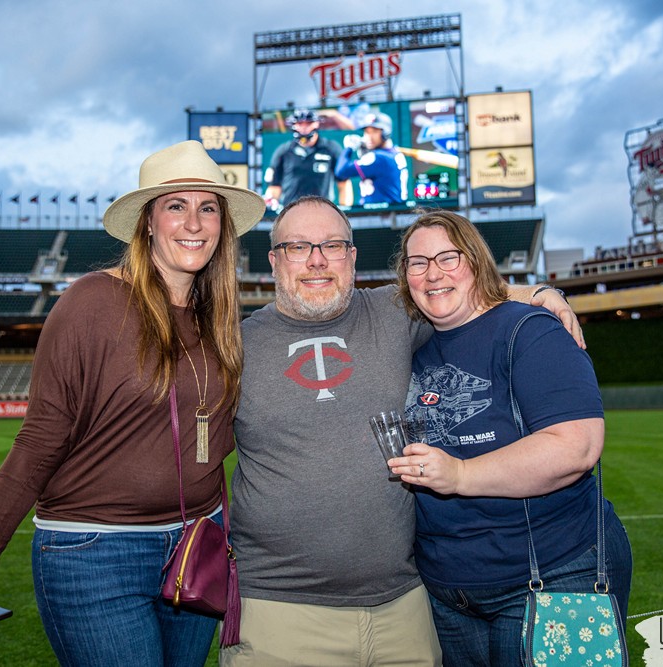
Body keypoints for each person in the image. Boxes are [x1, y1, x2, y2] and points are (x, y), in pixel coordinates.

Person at [0, 141, 265, 666]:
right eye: (175, 205)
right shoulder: (92, 302)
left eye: (208, 207)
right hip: (95, 552)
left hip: (195, 546)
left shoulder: (221, 321)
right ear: (146, 222)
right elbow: (38, 442)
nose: (194, 221)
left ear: (222, 225)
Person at [220, 196, 583, 666]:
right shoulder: (233, 344)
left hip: (403, 608)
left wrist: (537, 293)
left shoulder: (394, 314)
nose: (316, 260)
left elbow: (459, 287)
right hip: (279, 610)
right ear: (273, 260)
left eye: (332, 245)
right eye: (297, 247)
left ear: (352, 257)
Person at [387, 209, 632, 665]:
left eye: (447, 257)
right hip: (447, 594)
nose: (432, 273)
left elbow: (575, 446)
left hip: (554, 573)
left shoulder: (529, 330)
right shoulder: (414, 343)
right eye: (417, 263)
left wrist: (459, 473)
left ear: (476, 260)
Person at [264, 108, 354, 211]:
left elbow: (344, 183)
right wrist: (272, 201)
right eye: (300, 123)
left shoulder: (330, 148)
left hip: (322, 211)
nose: (304, 127)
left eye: (308, 123)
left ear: (317, 123)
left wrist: (345, 211)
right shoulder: (284, 151)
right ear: (293, 125)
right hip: (291, 211)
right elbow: (275, 187)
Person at [334, 112, 409, 206]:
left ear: (385, 132)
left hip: (382, 214)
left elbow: (341, 172)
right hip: (393, 211)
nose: (368, 137)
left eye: (374, 131)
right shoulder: (395, 153)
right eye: (367, 132)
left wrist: (348, 149)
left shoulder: (378, 157)